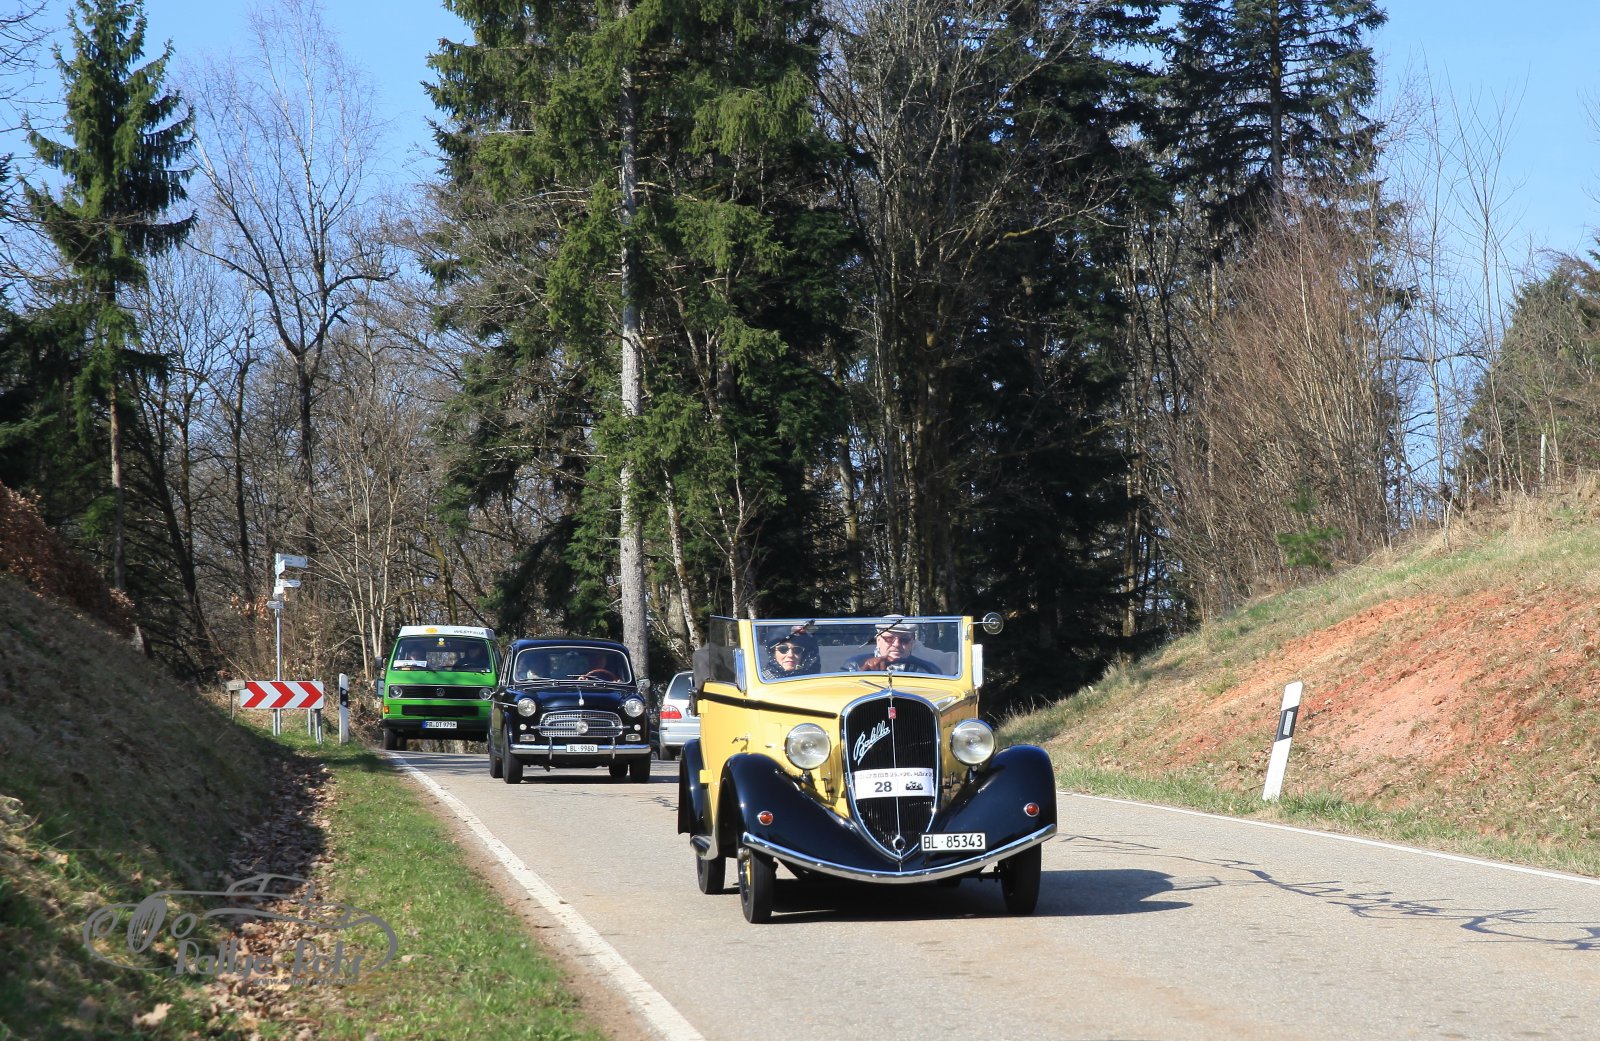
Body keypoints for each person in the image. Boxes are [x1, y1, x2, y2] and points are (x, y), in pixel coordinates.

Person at [844, 618, 940, 674]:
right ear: (878, 641)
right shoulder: (854, 664)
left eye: (904, 640)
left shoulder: (928, 670)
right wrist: (863, 671)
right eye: (889, 638)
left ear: (911, 643)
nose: (897, 644)